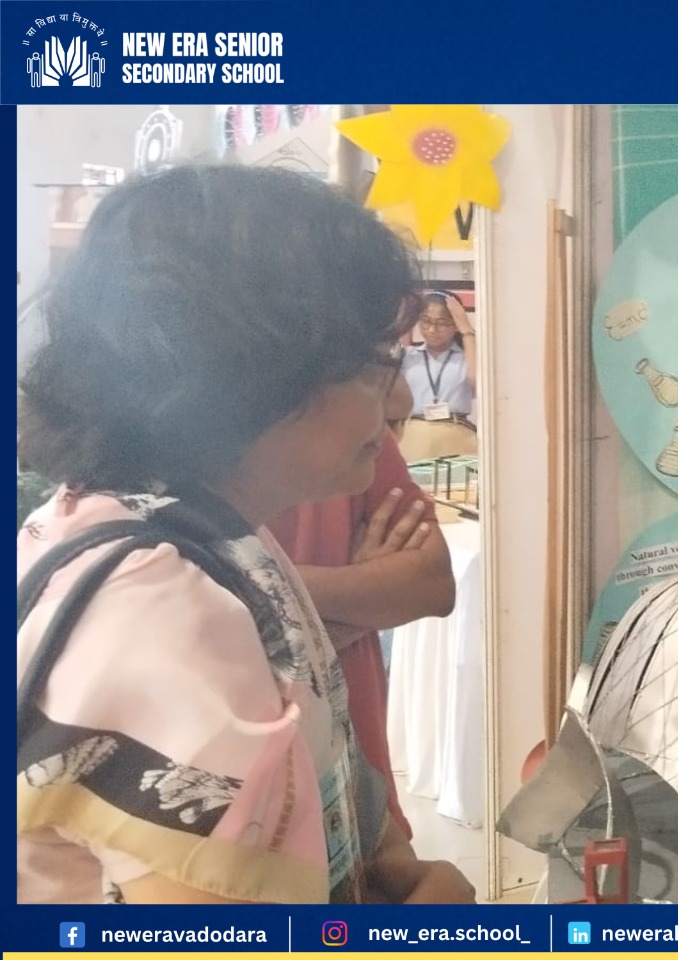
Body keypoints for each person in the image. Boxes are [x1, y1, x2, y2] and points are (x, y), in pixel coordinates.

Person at [17, 165, 473, 904]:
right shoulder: (166, 617)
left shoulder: (201, 537)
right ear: (248, 376)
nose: (397, 397)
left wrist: (384, 858)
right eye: (372, 366)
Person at [265, 365, 456, 844]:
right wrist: (358, 593)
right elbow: (226, 663)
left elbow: (433, 585)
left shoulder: (357, 439)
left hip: (356, 783)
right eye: (370, 365)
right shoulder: (148, 489)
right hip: (253, 812)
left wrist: (269, 596)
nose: (397, 396)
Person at [397, 290, 477, 460]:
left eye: (442, 323)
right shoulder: (408, 357)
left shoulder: (467, 358)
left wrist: (467, 331)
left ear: (455, 325)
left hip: (457, 435)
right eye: (426, 321)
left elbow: (477, 382)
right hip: (414, 436)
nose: (432, 329)